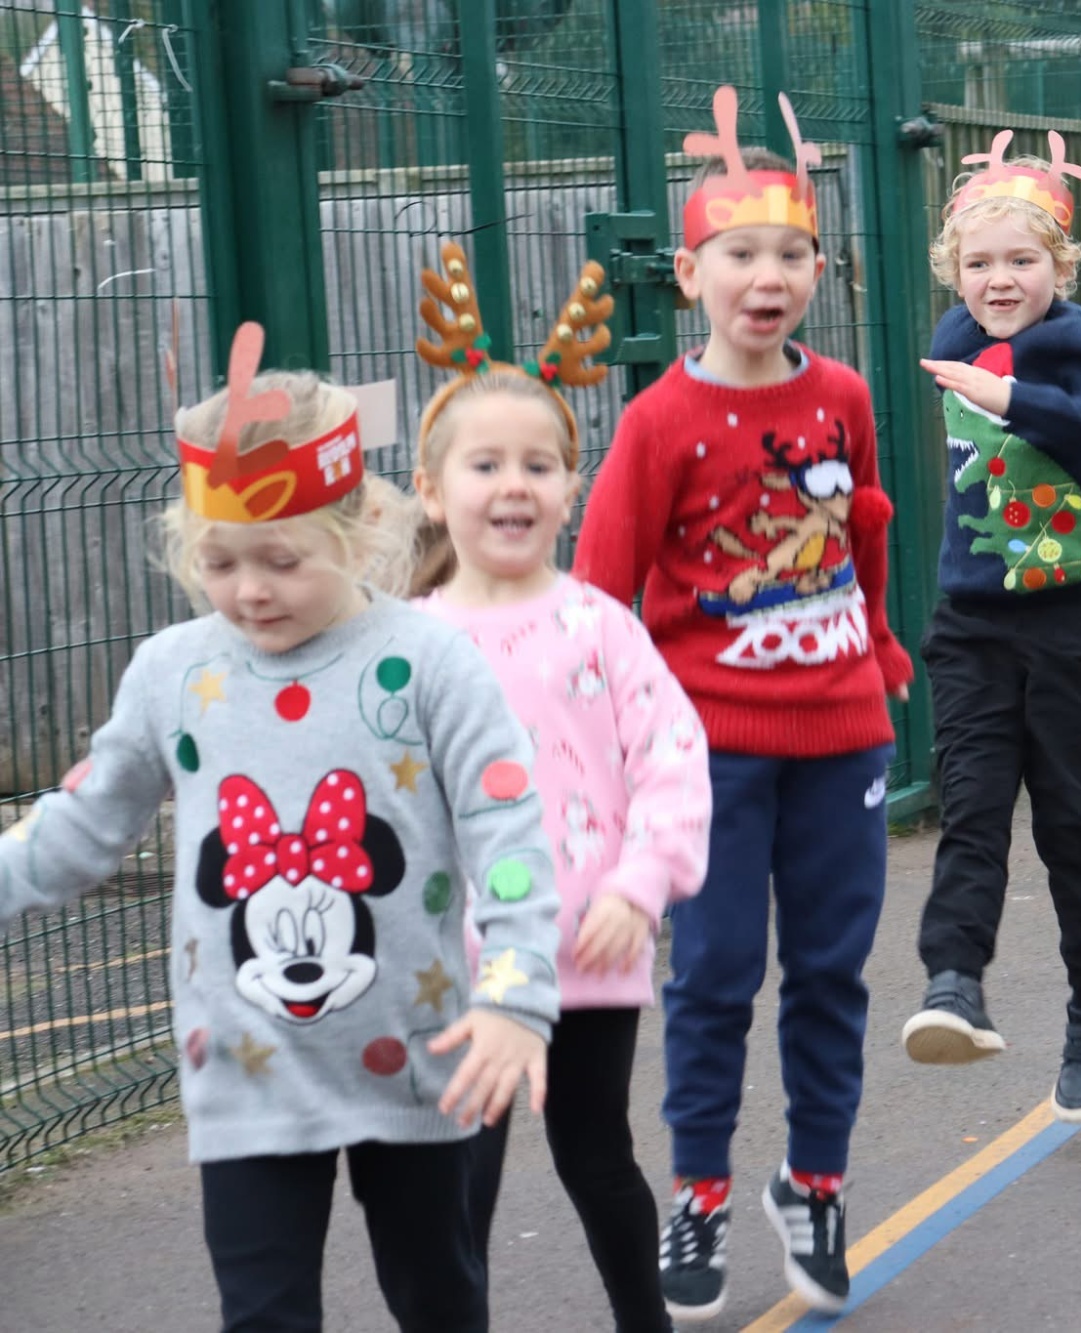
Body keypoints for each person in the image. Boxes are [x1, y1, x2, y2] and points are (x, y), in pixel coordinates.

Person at [0, 322, 562, 1331]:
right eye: (220, 561)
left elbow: (507, 830)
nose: (250, 588)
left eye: (282, 559)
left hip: (424, 1059)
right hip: (247, 1073)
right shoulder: (175, 671)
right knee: (261, 1312)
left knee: (439, 1300)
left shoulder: (429, 665)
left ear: (359, 528)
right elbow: (84, 824)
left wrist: (519, 992)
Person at [572, 87, 913, 1322]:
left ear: (817, 266)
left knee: (829, 973)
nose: (763, 278)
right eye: (737, 254)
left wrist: (875, 647)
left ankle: (811, 1184)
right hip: (703, 755)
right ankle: (700, 1192)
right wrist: (602, 760)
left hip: (841, 737)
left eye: (787, 254)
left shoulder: (845, 398)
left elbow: (862, 526)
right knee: (714, 976)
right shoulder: (660, 421)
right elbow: (595, 598)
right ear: (689, 270)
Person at [408, 243, 712, 1332]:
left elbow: (672, 760)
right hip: (461, 958)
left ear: (570, 483)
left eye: (538, 464)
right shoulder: (405, 647)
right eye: (483, 465)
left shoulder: (600, 625)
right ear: (432, 493)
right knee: (460, 1185)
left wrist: (641, 883)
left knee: (596, 1153)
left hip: (589, 941)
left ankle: (646, 1319)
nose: (512, 486)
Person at [900, 129, 1081, 1124]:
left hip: (1063, 624)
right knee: (969, 805)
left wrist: (1014, 397)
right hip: (969, 623)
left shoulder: (1074, 339)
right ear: (952, 271)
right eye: (978, 263)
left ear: (1058, 265)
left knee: (1070, 823)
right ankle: (953, 980)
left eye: (1020, 260)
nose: (998, 280)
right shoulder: (950, 335)